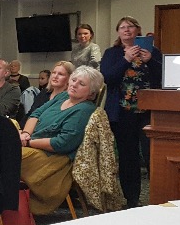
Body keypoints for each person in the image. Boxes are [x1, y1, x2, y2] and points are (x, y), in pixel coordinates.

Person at [18, 66, 102, 214]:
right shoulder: (63, 96)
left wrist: (28, 142)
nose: (74, 85)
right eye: (74, 80)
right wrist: (25, 133)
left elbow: (62, 143)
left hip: (53, 157)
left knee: (6, 155)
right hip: (30, 140)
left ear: (91, 93)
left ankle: (4, 205)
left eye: (81, 84)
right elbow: (36, 114)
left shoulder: (84, 110)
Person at [101, 16, 163, 208]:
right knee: (128, 156)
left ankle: (159, 195)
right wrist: (126, 59)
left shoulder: (153, 52)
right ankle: (132, 199)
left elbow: (164, 77)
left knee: (152, 154)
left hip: (149, 112)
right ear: (118, 32)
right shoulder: (112, 53)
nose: (126, 30)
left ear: (138, 30)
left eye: (130, 26)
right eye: (122, 27)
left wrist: (150, 61)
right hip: (122, 112)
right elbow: (108, 78)